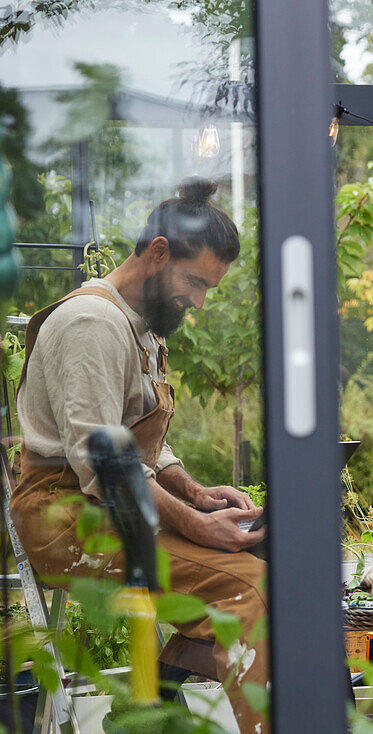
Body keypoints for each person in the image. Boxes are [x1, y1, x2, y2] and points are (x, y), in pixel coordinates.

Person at [9, 177, 268, 733]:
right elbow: (109, 470)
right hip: (66, 522)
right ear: (157, 253)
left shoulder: (140, 326)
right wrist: (201, 526)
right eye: (195, 283)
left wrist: (197, 493)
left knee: (272, 562)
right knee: (251, 588)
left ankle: (155, 702)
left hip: (110, 510)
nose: (197, 302)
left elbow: (145, 446)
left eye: (208, 290)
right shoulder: (92, 326)